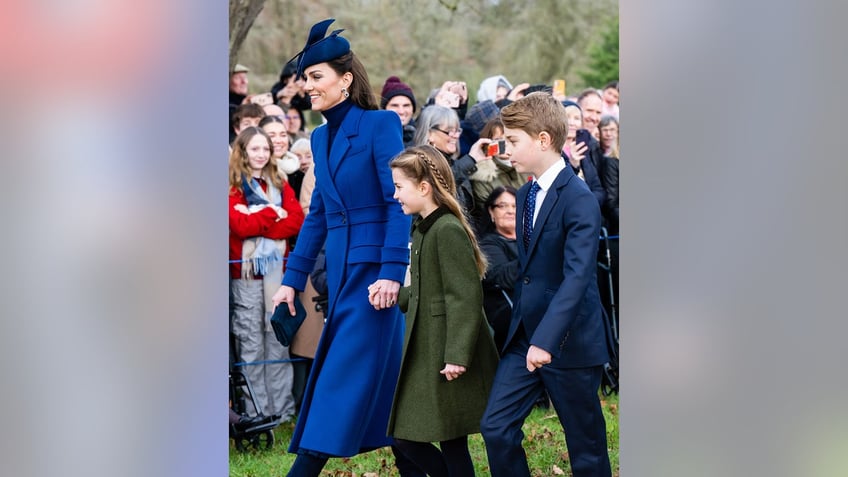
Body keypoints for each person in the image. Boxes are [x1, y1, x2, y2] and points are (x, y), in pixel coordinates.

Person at [269, 19, 413, 477]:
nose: (307, 87)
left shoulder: (380, 124)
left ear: (345, 79)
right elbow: (318, 216)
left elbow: (397, 202)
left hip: (374, 280)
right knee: (385, 396)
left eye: (316, 77)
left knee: (336, 385)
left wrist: (392, 271)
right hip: (339, 277)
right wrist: (291, 282)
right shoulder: (318, 137)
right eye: (305, 78)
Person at [480, 92, 612, 477]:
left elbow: (577, 277)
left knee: (586, 450)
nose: (507, 150)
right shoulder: (524, 194)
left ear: (543, 140)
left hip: (570, 339)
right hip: (524, 335)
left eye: (513, 141)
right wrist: (528, 336)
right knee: (496, 428)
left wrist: (546, 339)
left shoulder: (579, 199)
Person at [382, 145, 498, 477]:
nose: (395, 195)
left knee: (414, 438)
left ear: (424, 187)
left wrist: (457, 355)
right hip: (429, 345)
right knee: (445, 439)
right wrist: (397, 295)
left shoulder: (445, 229)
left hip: (445, 350)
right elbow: (428, 288)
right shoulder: (423, 227)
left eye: (399, 187)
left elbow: (463, 296)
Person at [229, 127, 305, 422]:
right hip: (246, 275)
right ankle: (257, 411)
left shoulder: (279, 181)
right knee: (250, 343)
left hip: (277, 274)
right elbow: (239, 226)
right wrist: (274, 212)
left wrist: (257, 215)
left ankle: (282, 410)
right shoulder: (232, 185)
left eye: (265, 149)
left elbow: (296, 220)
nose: (260, 154)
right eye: (254, 149)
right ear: (243, 151)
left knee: (276, 340)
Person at [478, 186, 519, 352]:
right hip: (510, 319)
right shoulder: (488, 244)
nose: (510, 211)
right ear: (491, 212)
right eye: (502, 206)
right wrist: (538, 254)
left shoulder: (532, 240)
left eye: (515, 206)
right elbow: (503, 277)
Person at [469, 117, 528, 234]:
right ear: (487, 144)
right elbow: (487, 213)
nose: (505, 144)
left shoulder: (527, 166)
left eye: (509, 139)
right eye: (499, 139)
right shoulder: (482, 175)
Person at [259, 115, 304, 199]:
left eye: (283, 135)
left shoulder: (299, 173)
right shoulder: (254, 173)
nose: (278, 141)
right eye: (272, 136)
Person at [380, 76, 418, 147]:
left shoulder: (423, 137)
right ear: (384, 109)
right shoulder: (374, 137)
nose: (401, 111)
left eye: (406, 105)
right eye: (395, 105)